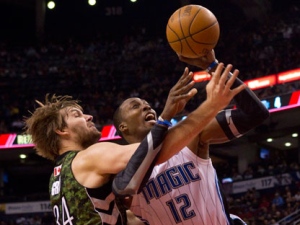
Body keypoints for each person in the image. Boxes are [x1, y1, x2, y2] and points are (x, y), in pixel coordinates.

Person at [24, 62, 238, 225]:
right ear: (61, 131)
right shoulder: (89, 157)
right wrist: (210, 105)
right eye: (77, 115)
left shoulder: (56, 179)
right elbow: (156, 151)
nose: (89, 116)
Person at [113, 51, 269, 225]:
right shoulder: (121, 175)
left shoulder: (190, 136)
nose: (146, 107)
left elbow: (255, 113)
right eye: (136, 106)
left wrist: (212, 66)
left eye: (147, 104)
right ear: (123, 127)